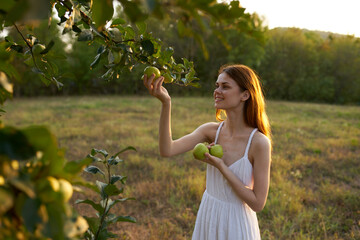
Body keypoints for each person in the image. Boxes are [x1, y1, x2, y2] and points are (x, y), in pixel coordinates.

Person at [143, 64, 272, 240]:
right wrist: (166, 103)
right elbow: (167, 150)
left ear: (245, 94)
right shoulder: (211, 131)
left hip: (237, 224)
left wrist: (221, 166)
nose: (217, 91)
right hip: (209, 215)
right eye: (217, 85)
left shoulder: (259, 142)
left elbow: (257, 203)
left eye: (225, 86)